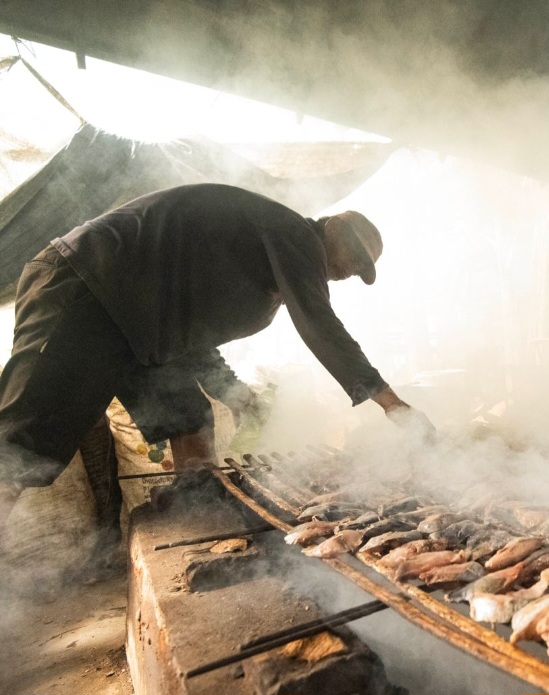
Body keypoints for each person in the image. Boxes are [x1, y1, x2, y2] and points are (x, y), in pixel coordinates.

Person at [0, 183, 434, 530]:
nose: (351, 272)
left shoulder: (271, 271)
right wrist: (389, 402)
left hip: (138, 327)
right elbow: (319, 323)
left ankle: (194, 512)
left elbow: (193, 339)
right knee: (23, 443)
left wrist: (236, 393)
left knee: (189, 417)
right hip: (87, 286)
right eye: (354, 258)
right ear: (332, 230)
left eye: (362, 269)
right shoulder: (296, 234)